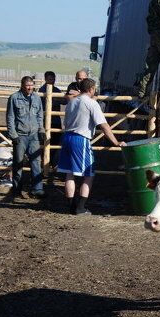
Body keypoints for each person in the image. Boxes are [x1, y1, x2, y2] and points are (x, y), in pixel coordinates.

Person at [57, 78, 126, 215]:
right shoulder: (91, 103)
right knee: (89, 174)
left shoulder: (72, 102)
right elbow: (104, 125)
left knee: (69, 174)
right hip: (80, 139)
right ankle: (81, 208)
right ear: (91, 89)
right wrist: (115, 142)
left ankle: (72, 206)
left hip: (67, 137)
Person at [6, 76, 46, 199]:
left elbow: (40, 115)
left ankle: (37, 189)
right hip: (20, 135)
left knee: (36, 162)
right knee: (18, 163)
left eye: (31, 85)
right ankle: (17, 189)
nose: (29, 87)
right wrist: (13, 135)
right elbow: (10, 117)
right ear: (22, 85)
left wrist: (41, 130)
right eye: (27, 85)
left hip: (33, 135)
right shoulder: (14, 98)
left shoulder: (36, 98)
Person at [38, 71, 65, 165]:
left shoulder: (57, 90)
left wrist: (58, 99)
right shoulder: (41, 91)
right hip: (44, 121)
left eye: (53, 79)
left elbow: (65, 101)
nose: (52, 81)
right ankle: (44, 162)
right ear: (45, 79)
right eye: (50, 79)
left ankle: (52, 162)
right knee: (44, 141)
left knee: (55, 142)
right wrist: (55, 100)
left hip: (56, 121)